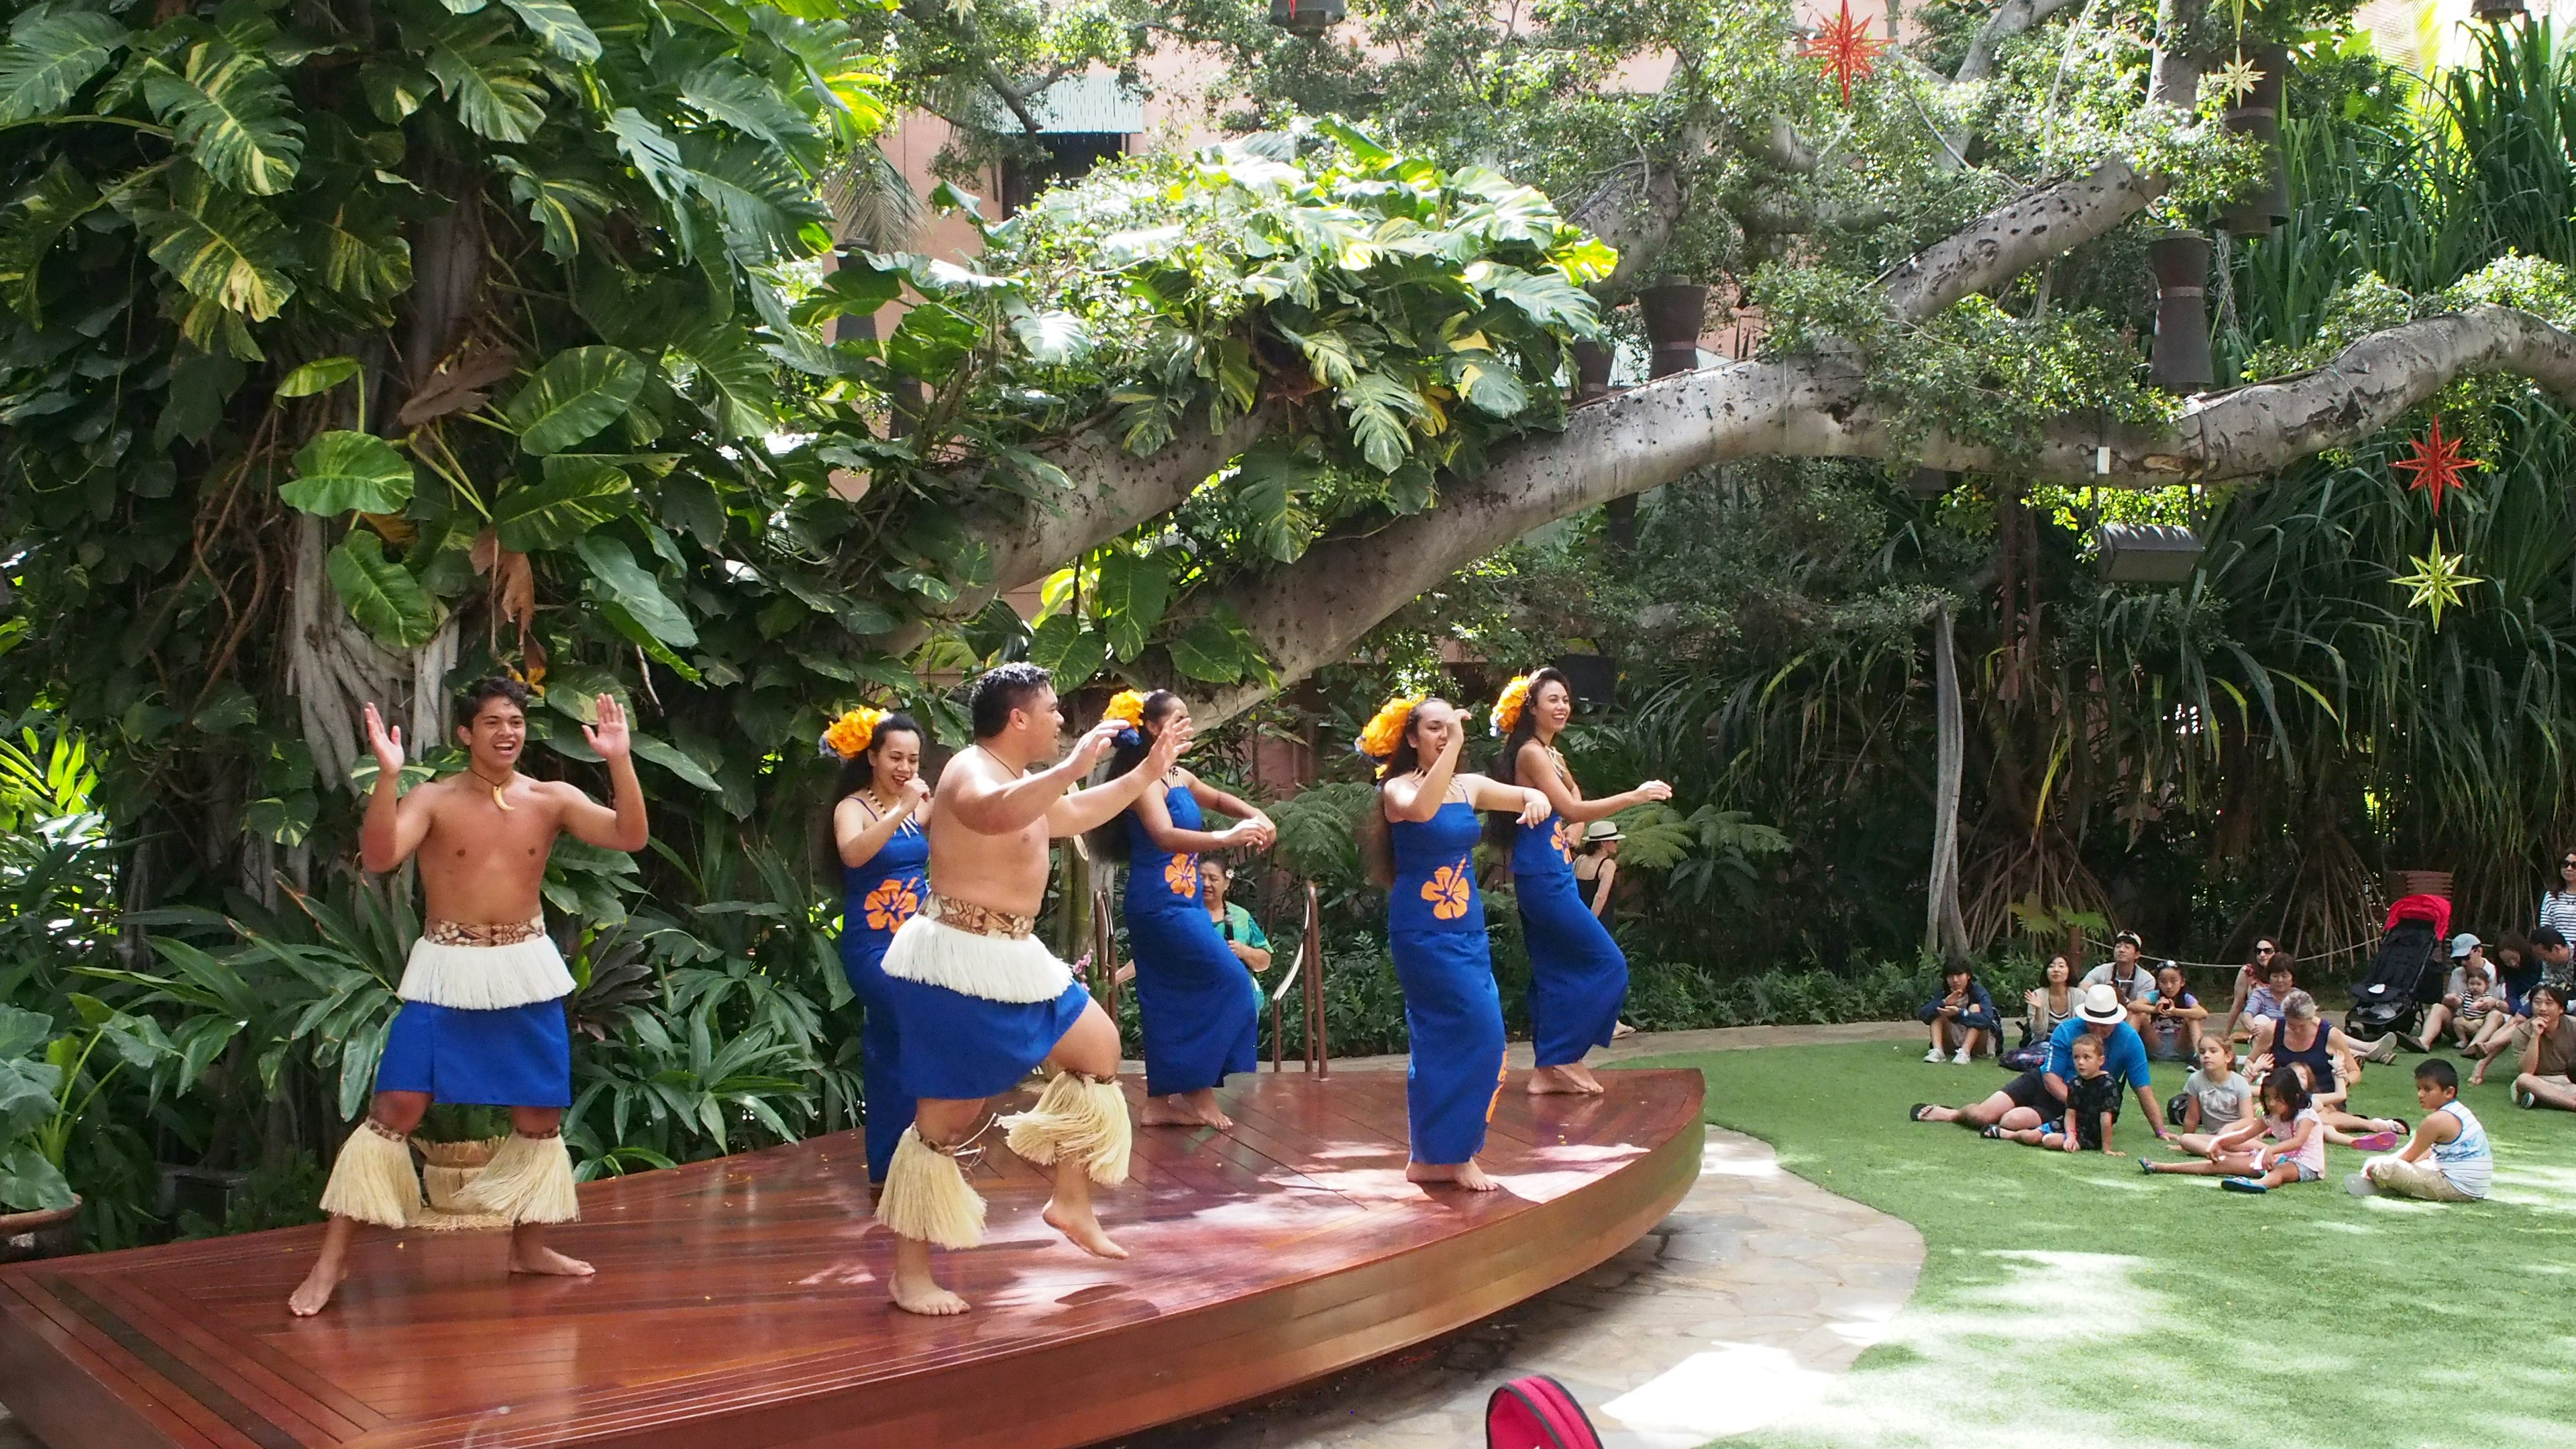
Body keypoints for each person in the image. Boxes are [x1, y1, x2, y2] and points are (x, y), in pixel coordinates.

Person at [289, 681, 649, 1317]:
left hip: (526, 967)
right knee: (397, 1105)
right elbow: (378, 856)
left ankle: (528, 1247)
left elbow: (629, 836)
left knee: (538, 1117)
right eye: (491, 723)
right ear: (465, 733)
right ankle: (331, 1262)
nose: (507, 733)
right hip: (446, 967)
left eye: (515, 721)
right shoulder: (433, 798)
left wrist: (618, 757)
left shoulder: (551, 797)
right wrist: (387, 779)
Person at [869, 662, 1184, 1317]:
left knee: (1098, 1048)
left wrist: (1145, 773)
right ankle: (909, 1272)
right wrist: (1070, 766)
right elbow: (991, 816)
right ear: (1018, 718)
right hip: (955, 960)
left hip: (1015, 954)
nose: (1061, 720)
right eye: (1051, 710)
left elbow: (1069, 814)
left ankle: (1069, 1200)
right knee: (944, 1121)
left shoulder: (1019, 778)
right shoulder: (970, 770)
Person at [1364, 694, 1551, 1191]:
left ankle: (1434, 1155)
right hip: (1422, 932)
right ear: (1410, 738)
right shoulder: (1398, 790)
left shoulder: (1469, 787)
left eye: (1451, 726)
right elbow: (1424, 810)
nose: (1444, 734)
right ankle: (1449, 1152)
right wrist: (1458, 745)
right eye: (1434, 727)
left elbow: (1527, 797)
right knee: (1465, 1033)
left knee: (1470, 1038)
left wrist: (1535, 799)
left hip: (1465, 929)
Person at [1094, 688, 1276, 1130]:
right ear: (1154, 728)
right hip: (1159, 904)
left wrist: (1256, 814)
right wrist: (1228, 839)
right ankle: (1196, 1090)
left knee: (1169, 997)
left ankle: (1159, 1102)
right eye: (1178, 719)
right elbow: (1165, 836)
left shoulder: (1177, 775)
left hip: (1185, 901)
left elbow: (1214, 797)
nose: (1188, 725)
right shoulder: (1143, 779)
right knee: (1232, 982)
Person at [1485, 669, 1672, 1095]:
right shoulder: (1531, 753)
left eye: (1566, 699)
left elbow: (1573, 798)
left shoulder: (1551, 754)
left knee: (1554, 971)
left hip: (1555, 871)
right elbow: (1571, 806)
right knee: (1608, 964)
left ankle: (1546, 1070)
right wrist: (1635, 796)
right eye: (1553, 699)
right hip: (1543, 876)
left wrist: (1574, 829)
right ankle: (1564, 1055)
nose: (1563, 706)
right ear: (1530, 707)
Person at [828, 706, 932, 1187]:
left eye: (913, 759)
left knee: (890, 1046)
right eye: (895, 757)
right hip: (873, 947)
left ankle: (893, 1170)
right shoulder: (852, 807)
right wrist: (905, 807)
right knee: (917, 1021)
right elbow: (854, 853)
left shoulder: (917, 805)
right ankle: (919, 1152)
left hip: (919, 944)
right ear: (872, 756)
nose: (905, 769)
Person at [1911, 983, 2169, 1145]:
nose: (2099, 1029)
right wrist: (2079, 1103)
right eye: (2093, 1021)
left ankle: (2002, 1127)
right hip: (2046, 1085)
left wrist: (2160, 1131)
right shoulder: (2068, 1030)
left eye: (2105, 1023)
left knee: (2011, 1121)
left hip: (2069, 1105)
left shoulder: (2129, 1040)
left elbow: (2143, 1089)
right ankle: (1953, 1114)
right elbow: (2050, 1078)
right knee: (1982, 1115)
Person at [2140, 1064, 2322, 1193]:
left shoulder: (2305, 1116)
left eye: (2278, 1097)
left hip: (2307, 1165)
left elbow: (2298, 1141)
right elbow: (2243, 1136)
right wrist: (2219, 1143)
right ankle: (2161, 1167)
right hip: (2279, 1157)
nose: (2271, 1103)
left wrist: (2271, 1150)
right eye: (2267, 1097)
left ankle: (2259, 1184)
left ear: (2294, 1096)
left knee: (2279, 1172)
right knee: (2219, 1164)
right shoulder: (2271, 1116)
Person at [2349, 1059, 2491, 1202]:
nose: (2420, 1094)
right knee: (2403, 1165)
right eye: (2419, 1089)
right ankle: (2396, 1184)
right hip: (2474, 1187)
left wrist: (2376, 1166)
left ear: (2449, 1092)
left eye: (2427, 1089)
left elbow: (2408, 1156)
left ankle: (2387, 1186)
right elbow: (2426, 1152)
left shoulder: (2435, 1121)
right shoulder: (2458, 1110)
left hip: (2457, 1187)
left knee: (2382, 1166)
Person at [1984, 1033, 2123, 1153]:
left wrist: (2107, 1148)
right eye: (2076, 1057)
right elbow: (2070, 1113)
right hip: (2070, 1126)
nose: (2080, 1062)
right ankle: (2008, 1135)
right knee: (2033, 1136)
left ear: (2101, 1061)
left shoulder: (2108, 1085)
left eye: (2087, 1057)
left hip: (2090, 1134)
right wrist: (2070, 1135)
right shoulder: (2075, 1082)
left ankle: (2013, 1135)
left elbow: (2106, 1120)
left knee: (2049, 1141)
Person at [2410, 936, 2502, 1055]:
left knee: (2496, 1015)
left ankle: (2475, 1047)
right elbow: (2452, 1005)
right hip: (2460, 1023)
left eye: (2466, 958)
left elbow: (2504, 1007)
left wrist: (2492, 1003)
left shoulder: (2495, 973)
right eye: (2458, 960)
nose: (2463, 963)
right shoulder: (2457, 973)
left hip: (2483, 1025)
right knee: (2438, 1007)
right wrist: (2450, 1001)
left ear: (2479, 951)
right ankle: (2424, 1042)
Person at [2168, 1036, 2255, 1157]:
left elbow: (2249, 1120)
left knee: (2248, 1143)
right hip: (2213, 1138)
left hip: (2239, 1138)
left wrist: (2230, 1128)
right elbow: (2192, 1117)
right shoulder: (2195, 1080)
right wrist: (2183, 1144)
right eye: (2202, 1052)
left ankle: (2243, 1152)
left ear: (2228, 1057)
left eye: (2213, 1051)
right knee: (2186, 1139)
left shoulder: (2239, 1083)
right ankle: (2233, 1156)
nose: (2206, 1055)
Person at [1199, 857, 1272, 973]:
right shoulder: (1185, 914)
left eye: (1213, 879)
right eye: (1201, 877)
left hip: (1239, 989)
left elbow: (1265, 961)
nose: (1206, 883)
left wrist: (1244, 951)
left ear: (1227, 883)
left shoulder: (1241, 916)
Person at [1918, 963, 2002, 1064]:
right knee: (1938, 1010)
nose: (1955, 980)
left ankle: (1965, 1052)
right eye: (1950, 976)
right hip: (1952, 1040)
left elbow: (1986, 1020)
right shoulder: (1943, 993)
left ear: (1968, 976)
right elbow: (1923, 1015)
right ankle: (1938, 1051)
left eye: (1959, 975)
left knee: (1975, 1008)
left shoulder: (1979, 992)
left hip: (1978, 1043)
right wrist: (1944, 1003)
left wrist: (1960, 1013)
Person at [2510, 982, 2576, 1112]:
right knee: (2523, 1080)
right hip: (2539, 1081)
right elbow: (2527, 1071)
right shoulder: (2522, 1031)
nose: (2542, 1008)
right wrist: (2535, 1036)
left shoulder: (2573, 1026)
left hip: (2569, 1081)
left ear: (2561, 1008)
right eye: (2537, 1002)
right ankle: (2571, 1104)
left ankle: (2543, 1100)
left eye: (2549, 1003)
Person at [2080, 932, 2160, 1032]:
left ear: (2137, 955)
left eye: (2127, 947)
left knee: (2139, 1014)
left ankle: (2127, 1040)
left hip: (2130, 1016)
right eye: (2118, 946)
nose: (2121, 950)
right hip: (2103, 1012)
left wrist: (2121, 999)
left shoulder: (2147, 979)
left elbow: (2139, 1006)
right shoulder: (2102, 970)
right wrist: (2104, 994)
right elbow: (2083, 986)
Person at [2142, 961, 2206, 1062]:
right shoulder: (2155, 995)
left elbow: (2202, 1013)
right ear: (2158, 982)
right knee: (2139, 1015)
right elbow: (2133, 1005)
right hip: (2156, 1044)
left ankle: (2199, 1056)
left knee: (2192, 1018)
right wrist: (2155, 1009)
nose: (2169, 986)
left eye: (2173, 981)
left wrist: (2176, 1011)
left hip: (2180, 1045)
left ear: (2182, 982)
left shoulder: (2186, 997)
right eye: (2163, 981)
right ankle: (2122, 1051)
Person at [2219, 937, 2280, 1044]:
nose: (2262, 955)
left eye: (2267, 951)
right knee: (2260, 1020)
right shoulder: (2248, 972)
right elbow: (2238, 1004)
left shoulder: (2284, 972)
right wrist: (2226, 1035)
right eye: (2258, 951)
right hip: (2256, 1022)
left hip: (2280, 1021)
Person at [2242, 951, 2300, 1055]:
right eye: (2275, 976)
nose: (2280, 980)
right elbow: (2247, 1015)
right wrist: (2255, 1029)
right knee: (2260, 1019)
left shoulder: (2300, 997)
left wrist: (2272, 1030)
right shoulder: (2260, 994)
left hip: (2292, 1040)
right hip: (2265, 1042)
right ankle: (2262, 1065)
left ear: (2293, 978)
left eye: (2285, 976)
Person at [2024, 954, 2077, 1050]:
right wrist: (2039, 1010)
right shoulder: (2037, 995)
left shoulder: (2079, 996)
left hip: (2071, 1045)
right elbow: (2038, 1032)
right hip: (2043, 1044)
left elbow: (2082, 1028)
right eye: (2051, 966)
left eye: (2061, 966)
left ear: (2069, 971)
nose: (2056, 970)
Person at [1573, 820, 1621, 920]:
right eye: (1615, 841)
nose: (1617, 844)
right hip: (1597, 918)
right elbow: (1600, 897)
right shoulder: (1608, 864)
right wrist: (1591, 923)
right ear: (1603, 843)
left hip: (1576, 915)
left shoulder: (1579, 860)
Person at [2540, 849, 2576, 945]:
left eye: (2574, 866)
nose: (2569, 869)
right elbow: (2545, 928)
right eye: (2565, 864)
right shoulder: (2552, 896)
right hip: (2557, 952)